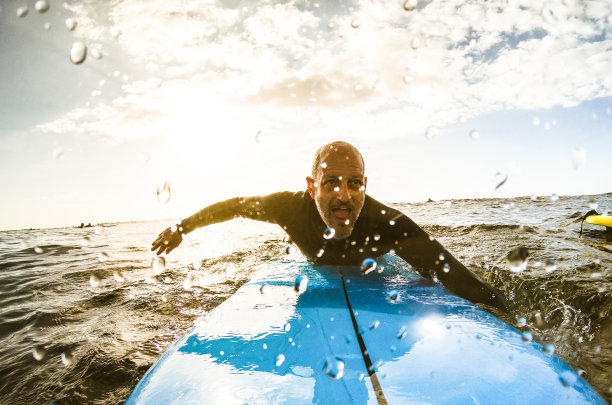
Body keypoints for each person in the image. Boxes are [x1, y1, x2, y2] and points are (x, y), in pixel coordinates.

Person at [152, 141, 508, 312]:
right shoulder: (289, 208)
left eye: (355, 183)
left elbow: (457, 278)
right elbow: (235, 207)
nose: (344, 195)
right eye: (331, 182)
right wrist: (182, 227)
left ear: (365, 185)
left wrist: (512, 318)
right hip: (314, 265)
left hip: (374, 271)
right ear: (311, 186)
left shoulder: (389, 225)